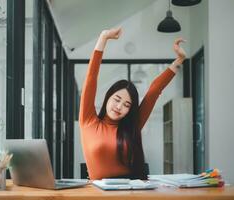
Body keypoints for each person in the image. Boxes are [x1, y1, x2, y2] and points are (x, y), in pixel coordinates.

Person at [79, 27, 186, 180]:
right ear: (107, 98)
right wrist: (103, 38)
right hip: (98, 193)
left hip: (130, 190)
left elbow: (154, 91)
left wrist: (179, 60)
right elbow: (91, 78)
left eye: (127, 105)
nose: (119, 107)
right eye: (117, 100)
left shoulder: (131, 127)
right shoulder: (88, 121)